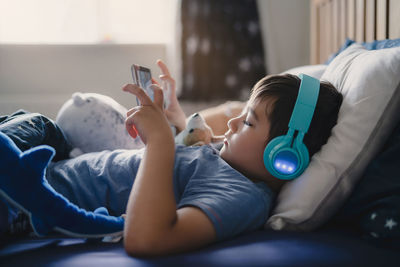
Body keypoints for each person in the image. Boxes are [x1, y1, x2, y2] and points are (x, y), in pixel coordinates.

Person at [0, 60, 343, 256]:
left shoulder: (242, 197)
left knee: (26, 127)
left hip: (24, 199)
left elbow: (148, 238)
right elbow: (187, 165)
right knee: (37, 124)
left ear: (284, 156)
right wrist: (176, 123)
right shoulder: (229, 161)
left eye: (250, 121)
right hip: (51, 165)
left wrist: (160, 142)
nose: (235, 121)